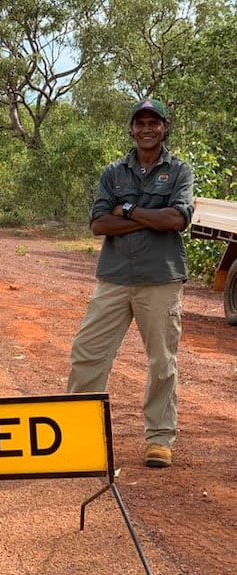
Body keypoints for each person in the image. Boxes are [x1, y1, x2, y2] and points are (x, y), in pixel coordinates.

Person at [67, 99, 194, 469]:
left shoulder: (180, 171)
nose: (147, 129)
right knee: (87, 353)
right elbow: (98, 224)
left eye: (153, 122)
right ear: (131, 129)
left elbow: (176, 219)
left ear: (164, 127)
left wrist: (127, 211)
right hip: (115, 277)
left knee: (161, 362)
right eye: (140, 123)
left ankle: (159, 438)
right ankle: (78, 434)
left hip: (161, 279)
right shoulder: (113, 172)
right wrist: (149, 217)